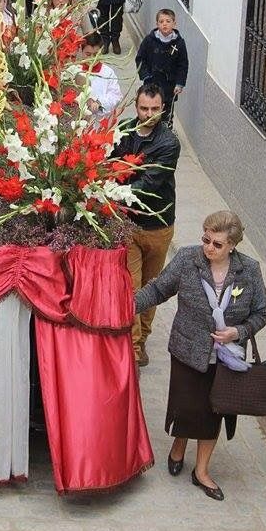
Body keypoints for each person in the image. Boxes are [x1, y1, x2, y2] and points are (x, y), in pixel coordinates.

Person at [134, 211, 266, 500]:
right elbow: (159, 289)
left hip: (227, 358)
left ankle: (202, 471)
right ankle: (179, 444)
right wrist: (124, 305)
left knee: (213, 411)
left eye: (217, 244)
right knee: (187, 407)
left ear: (232, 245)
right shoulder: (187, 259)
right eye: (206, 239)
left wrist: (239, 331)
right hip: (187, 350)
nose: (209, 247)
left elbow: (262, 312)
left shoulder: (250, 270)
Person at [115, 82, 181, 366]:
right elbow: (109, 164)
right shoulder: (124, 132)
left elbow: (151, 182)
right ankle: (133, 349)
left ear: (163, 108)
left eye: (155, 109)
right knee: (132, 287)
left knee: (151, 289)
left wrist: (116, 188)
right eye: (144, 108)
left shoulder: (168, 143)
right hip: (129, 224)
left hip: (158, 227)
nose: (149, 114)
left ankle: (141, 338)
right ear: (136, 108)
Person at [136, 9, 189, 125]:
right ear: (157, 24)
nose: (164, 24)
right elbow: (140, 58)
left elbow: (183, 64)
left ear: (174, 24)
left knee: (166, 111)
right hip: (152, 82)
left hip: (169, 86)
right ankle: (147, 129)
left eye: (168, 21)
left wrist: (179, 83)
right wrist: (145, 75)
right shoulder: (149, 41)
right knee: (150, 108)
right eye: (161, 21)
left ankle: (166, 132)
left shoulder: (179, 43)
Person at [77, 32, 122, 120]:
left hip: (101, 120)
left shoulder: (108, 73)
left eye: (96, 54)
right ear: (81, 51)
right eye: (88, 54)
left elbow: (116, 96)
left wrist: (100, 102)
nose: (92, 58)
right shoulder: (76, 71)